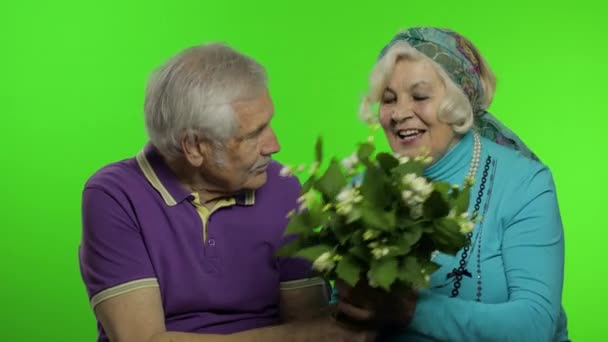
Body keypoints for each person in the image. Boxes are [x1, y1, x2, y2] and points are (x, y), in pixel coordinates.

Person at [78, 43, 373, 342]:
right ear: (194, 147)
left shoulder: (282, 185)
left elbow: (311, 321)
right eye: (253, 134)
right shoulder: (114, 195)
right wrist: (299, 336)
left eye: (268, 124)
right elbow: (141, 339)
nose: (274, 145)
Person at [334, 27, 569, 341]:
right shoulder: (365, 185)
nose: (400, 113)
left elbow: (534, 326)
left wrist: (410, 311)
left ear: (458, 105)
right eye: (389, 100)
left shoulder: (525, 185)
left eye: (419, 97)